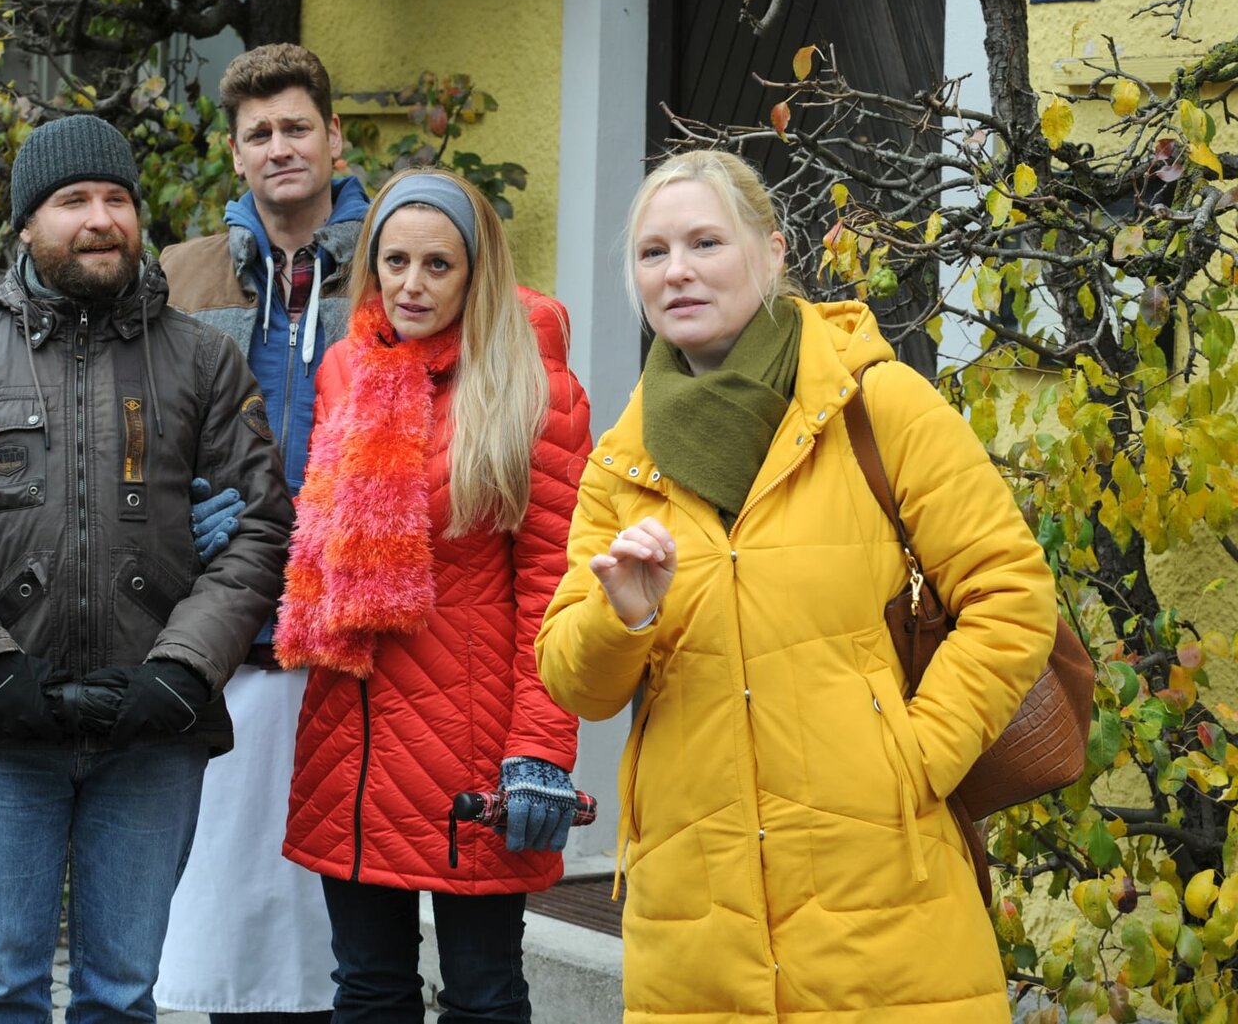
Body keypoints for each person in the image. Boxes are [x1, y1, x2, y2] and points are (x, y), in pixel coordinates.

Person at [534, 148, 1058, 1021]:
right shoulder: (623, 461)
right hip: (696, 934)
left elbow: (1011, 594)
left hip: (883, 904)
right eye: (654, 252)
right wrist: (621, 616)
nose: (677, 270)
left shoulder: (876, 403)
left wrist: (911, 759)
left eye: (705, 242)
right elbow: (573, 681)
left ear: (772, 252)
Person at [0, 113, 293, 1023]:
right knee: (2, 991)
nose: (100, 218)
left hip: (153, 734)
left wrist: (182, 670)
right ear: (28, 224)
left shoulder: (205, 362)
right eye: (72, 200)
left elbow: (260, 529)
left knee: (122, 993)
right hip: (2, 733)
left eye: (116, 199)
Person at [273, 168, 592, 1023]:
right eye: (395, 261)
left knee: (484, 996)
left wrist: (540, 750)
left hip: (470, 745)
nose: (411, 285)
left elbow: (554, 587)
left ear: (476, 272)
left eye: (438, 265)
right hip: (350, 737)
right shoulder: (347, 369)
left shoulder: (532, 385)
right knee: (367, 990)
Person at [152, 43, 369, 1024]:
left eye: (296, 127)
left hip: (354, 618)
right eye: (259, 133)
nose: (280, 147)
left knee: (345, 918)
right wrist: (183, 515)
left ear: (333, 136)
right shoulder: (182, 272)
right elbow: (143, 427)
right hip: (228, 621)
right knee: (235, 912)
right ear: (235, 153)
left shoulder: (393, 258)